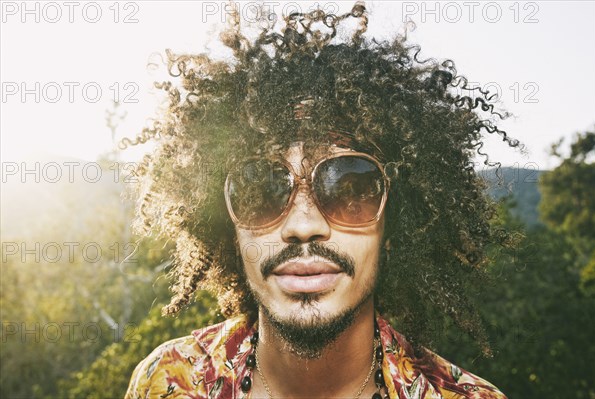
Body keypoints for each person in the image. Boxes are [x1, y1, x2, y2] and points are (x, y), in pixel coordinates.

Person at [125, 2, 516, 398]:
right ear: (227, 226)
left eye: (351, 191)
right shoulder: (166, 383)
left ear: (394, 224)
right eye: (261, 191)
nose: (303, 225)